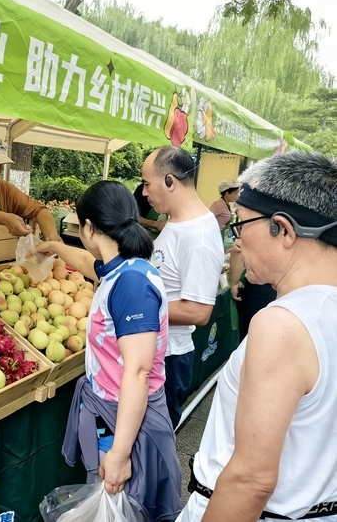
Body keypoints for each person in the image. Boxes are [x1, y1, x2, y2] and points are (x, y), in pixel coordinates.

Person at [177, 152, 337, 522]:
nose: (237, 243)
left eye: (241, 225)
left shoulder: (282, 324)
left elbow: (251, 479)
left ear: (283, 229)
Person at [37, 181, 182, 522]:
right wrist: (55, 246)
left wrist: (119, 452)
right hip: (113, 412)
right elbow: (88, 262)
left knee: (122, 504)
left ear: (88, 227)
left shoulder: (131, 284)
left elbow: (138, 371)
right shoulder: (122, 267)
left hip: (126, 417)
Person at [141, 146, 224, 429]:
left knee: (153, 443)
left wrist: (137, 307)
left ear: (169, 181)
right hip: (154, 351)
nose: (143, 193)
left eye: (146, 183)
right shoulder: (175, 223)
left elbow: (198, 312)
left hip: (169, 358)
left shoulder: (198, 236)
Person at [228, 238, 276, 340]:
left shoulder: (256, 225)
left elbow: (238, 248)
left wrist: (234, 282)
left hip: (259, 288)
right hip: (288, 286)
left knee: (252, 338)